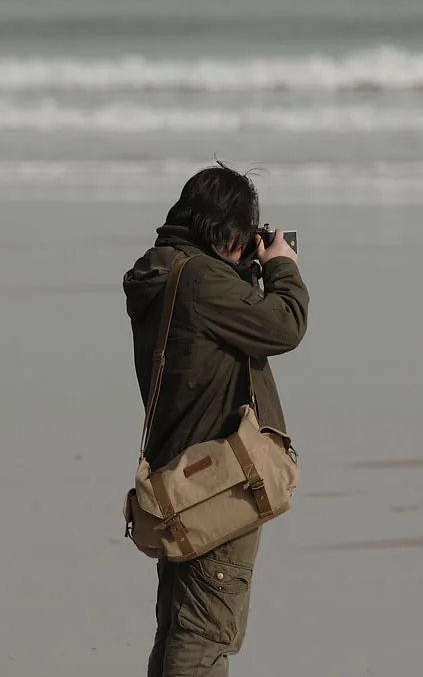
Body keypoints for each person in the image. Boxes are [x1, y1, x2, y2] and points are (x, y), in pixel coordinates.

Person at [123, 163, 309, 677]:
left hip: (178, 476)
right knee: (205, 636)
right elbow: (284, 325)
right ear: (227, 231)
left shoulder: (162, 270)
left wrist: (241, 267)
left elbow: (205, 334)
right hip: (218, 483)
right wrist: (281, 268)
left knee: (179, 629)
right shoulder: (203, 282)